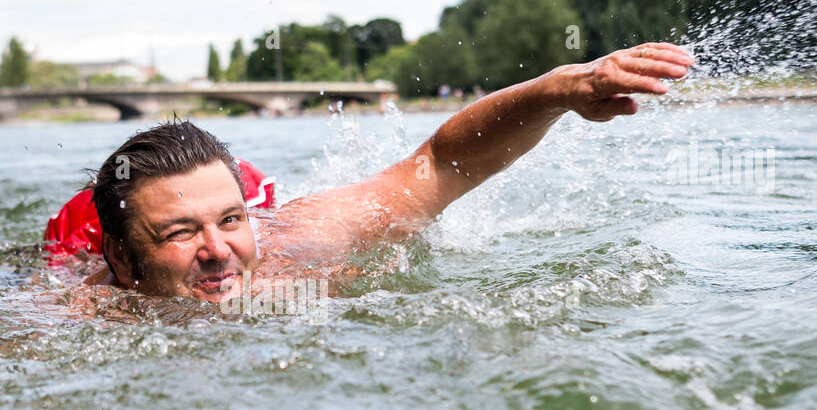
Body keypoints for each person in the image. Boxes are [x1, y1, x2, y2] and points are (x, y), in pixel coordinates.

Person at [73, 42, 694, 305]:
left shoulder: (296, 246)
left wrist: (557, 90)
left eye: (230, 221)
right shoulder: (88, 310)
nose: (217, 252)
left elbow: (439, 166)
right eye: (180, 233)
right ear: (125, 263)